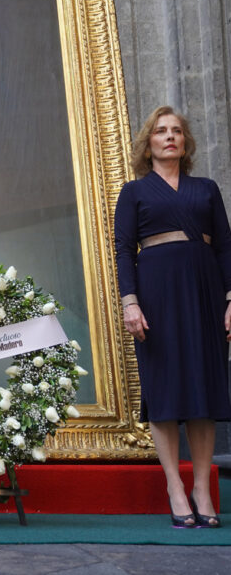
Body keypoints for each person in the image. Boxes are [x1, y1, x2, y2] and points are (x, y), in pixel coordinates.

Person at [114, 105, 231, 528]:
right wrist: (130, 302)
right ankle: (174, 488)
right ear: (149, 143)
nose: (170, 137)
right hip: (156, 295)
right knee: (164, 394)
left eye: (177, 131)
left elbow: (225, 248)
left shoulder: (207, 188)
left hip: (205, 293)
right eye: (161, 131)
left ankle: (202, 487)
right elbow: (125, 251)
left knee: (201, 395)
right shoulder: (134, 192)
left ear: (185, 142)